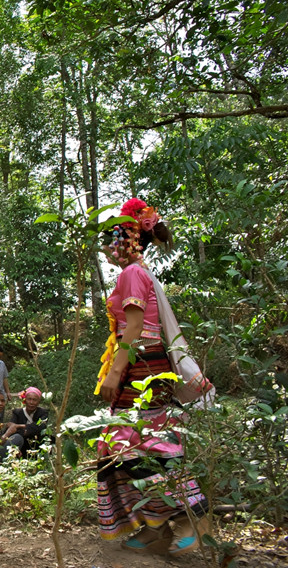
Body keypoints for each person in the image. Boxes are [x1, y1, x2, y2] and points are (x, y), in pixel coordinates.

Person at [95, 198, 210, 557]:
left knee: (135, 448)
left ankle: (196, 520)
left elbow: (132, 327)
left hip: (140, 365)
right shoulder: (139, 273)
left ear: (124, 239)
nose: (104, 249)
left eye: (108, 240)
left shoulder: (132, 273)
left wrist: (115, 372)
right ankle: (155, 526)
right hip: (145, 363)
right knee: (127, 450)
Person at [8, 386, 49, 457]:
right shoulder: (17, 412)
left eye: (34, 400)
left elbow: (40, 427)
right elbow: (12, 429)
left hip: (37, 445)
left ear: (38, 401)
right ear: (25, 399)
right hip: (22, 445)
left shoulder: (43, 413)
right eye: (29, 399)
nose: (31, 402)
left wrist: (19, 426)